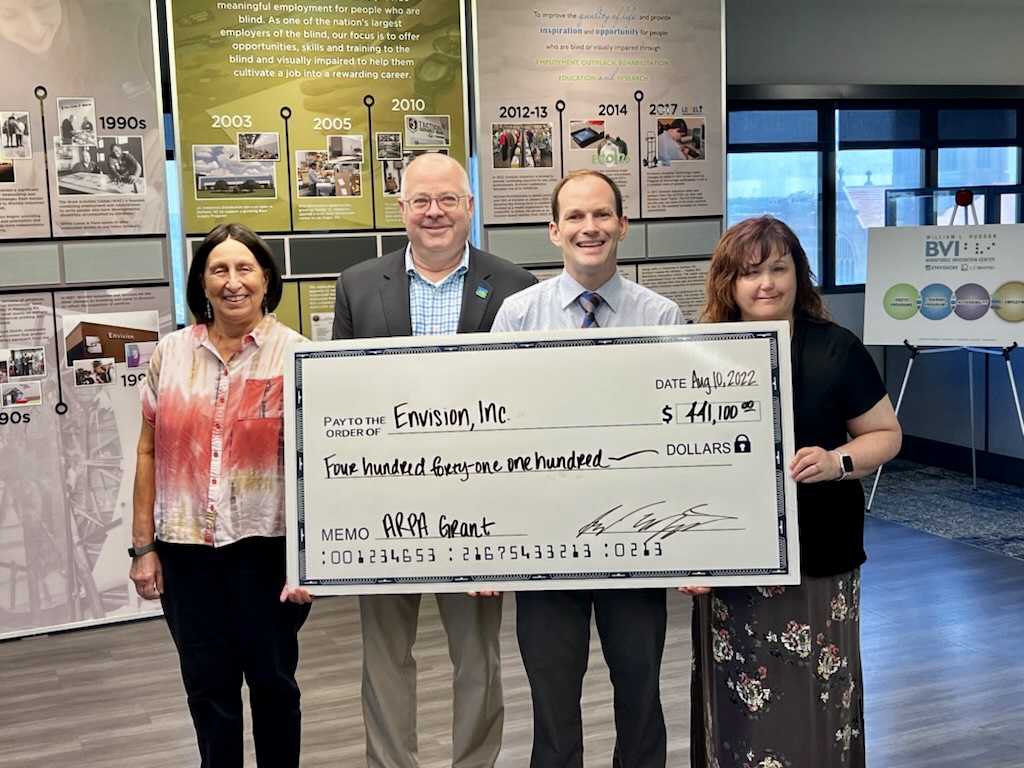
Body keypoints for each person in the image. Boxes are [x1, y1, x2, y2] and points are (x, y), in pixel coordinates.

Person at [331, 152, 536, 768]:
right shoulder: (359, 284)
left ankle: (474, 762)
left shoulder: (515, 286)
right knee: (385, 655)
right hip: (385, 500)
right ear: (401, 209)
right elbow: (342, 395)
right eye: (421, 200)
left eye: (448, 199)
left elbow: (528, 401)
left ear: (470, 206)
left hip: (478, 504)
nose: (434, 212)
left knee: (477, 657)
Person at [686, 215, 902, 768]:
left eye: (779, 269)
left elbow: (886, 434)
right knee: (738, 701)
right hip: (733, 561)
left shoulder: (837, 348)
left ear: (798, 275)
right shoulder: (700, 352)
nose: (767, 284)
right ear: (727, 283)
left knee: (817, 700)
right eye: (750, 272)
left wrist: (838, 461)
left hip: (820, 559)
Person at [491, 169, 682, 768]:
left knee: (641, 698)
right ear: (553, 230)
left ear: (623, 225)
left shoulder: (663, 318)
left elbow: (682, 439)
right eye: (574, 216)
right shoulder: (518, 316)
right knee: (551, 707)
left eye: (602, 215)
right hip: (543, 547)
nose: (589, 227)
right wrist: (486, 547)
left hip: (636, 540)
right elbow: (489, 440)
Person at [129, 222, 314, 767]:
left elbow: (314, 468)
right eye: (219, 270)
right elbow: (146, 453)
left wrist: (310, 562)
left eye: (244, 268)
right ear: (202, 283)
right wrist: (144, 549)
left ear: (265, 278)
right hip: (186, 554)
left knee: (275, 687)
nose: (233, 282)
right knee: (209, 692)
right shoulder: (169, 354)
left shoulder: (298, 356)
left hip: (267, 555)